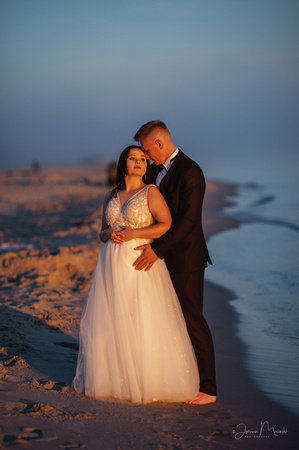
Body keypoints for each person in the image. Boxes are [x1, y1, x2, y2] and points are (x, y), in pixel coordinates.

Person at [73, 145, 199, 403]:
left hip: (138, 259)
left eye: (143, 159)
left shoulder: (150, 192)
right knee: (114, 316)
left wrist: (134, 233)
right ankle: (115, 377)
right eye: (133, 158)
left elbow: (165, 224)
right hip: (110, 262)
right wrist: (109, 234)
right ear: (124, 164)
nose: (139, 162)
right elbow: (102, 231)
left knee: (139, 315)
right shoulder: (110, 194)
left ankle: (145, 380)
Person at [133, 121, 216, 405]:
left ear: (160, 143)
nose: (145, 156)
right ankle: (178, 377)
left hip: (186, 258)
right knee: (167, 319)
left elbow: (189, 222)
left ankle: (209, 389)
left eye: (146, 150)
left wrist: (158, 249)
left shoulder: (191, 171)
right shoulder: (155, 170)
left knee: (192, 320)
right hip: (162, 256)